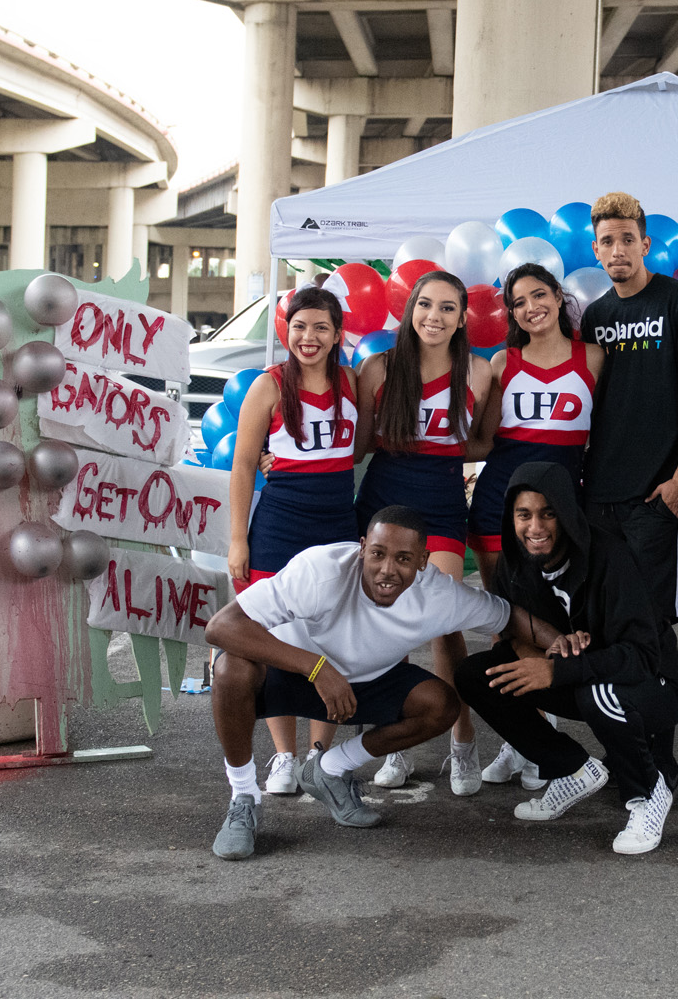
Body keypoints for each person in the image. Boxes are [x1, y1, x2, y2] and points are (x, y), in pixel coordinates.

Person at [205, 506, 511, 861]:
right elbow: (221, 627)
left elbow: (508, 617)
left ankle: (328, 770)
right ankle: (243, 799)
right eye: (378, 554)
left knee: (439, 704)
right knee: (230, 670)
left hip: (359, 688)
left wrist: (561, 642)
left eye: (403, 558)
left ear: (423, 561)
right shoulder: (321, 569)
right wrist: (316, 668)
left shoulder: (439, 594)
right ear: (362, 547)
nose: (387, 569)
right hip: (293, 673)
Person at [454, 462, 678, 855]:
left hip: (657, 686)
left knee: (599, 692)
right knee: (481, 674)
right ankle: (571, 769)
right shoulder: (514, 564)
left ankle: (649, 794)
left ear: (567, 511)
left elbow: (642, 657)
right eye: (524, 514)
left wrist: (557, 669)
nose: (536, 527)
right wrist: (543, 654)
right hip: (585, 679)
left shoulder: (609, 556)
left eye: (549, 513)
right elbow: (512, 635)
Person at [354, 270, 494, 794]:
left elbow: (481, 443)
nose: (434, 317)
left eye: (448, 309)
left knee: (442, 621)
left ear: (462, 319)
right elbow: (360, 445)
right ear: (410, 309)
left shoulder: (478, 372)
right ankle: (392, 742)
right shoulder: (378, 368)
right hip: (384, 504)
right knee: (377, 625)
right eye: (426, 305)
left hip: (441, 504)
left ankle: (463, 744)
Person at [465, 262, 602, 791]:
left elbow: (611, 435)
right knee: (508, 617)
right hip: (502, 499)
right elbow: (480, 441)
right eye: (519, 302)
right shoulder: (505, 361)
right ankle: (525, 740)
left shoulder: (592, 357)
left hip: (563, 507)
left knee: (555, 616)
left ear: (559, 298)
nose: (530, 307)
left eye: (538, 295)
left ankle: (548, 739)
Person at [226, 286, 357, 796]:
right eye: (300, 326)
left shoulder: (349, 381)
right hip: (280, 524)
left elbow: (359, 445)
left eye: (321, 327)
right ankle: (282, 755)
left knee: (330, 634)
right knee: (275, 639)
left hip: (336, 524)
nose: (309, 337)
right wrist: (238, 539)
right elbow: (241, 464)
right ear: (287, 330)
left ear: (337, 334)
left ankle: (321, 755)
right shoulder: (269, 386)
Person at [581, 191, 678, 625]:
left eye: (627, 239)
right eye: (607, 241)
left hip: (655, 495)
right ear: (595, 249)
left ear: (645, 245)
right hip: (599, 497)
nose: (617, 250)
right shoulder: (595, 317)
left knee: (653, 621)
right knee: (606, 616)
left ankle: (664, 693)